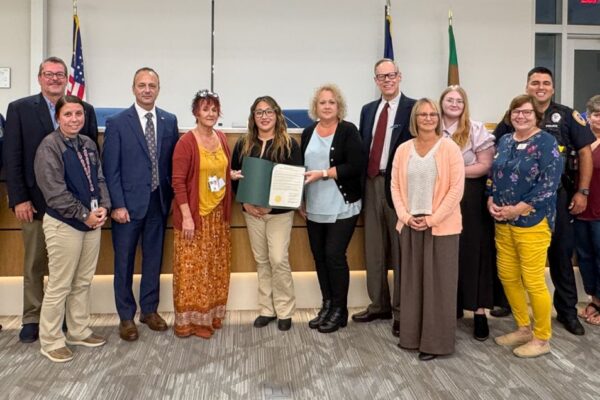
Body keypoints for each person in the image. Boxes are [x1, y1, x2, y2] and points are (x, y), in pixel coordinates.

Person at [493, 67, 594, 336]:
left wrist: (582, 192)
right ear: (527, 86)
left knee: (560, 254)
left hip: (556, 197)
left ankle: (567, 312)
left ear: (552, 88)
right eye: (535, 82)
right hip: (510, 205)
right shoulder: (511, 118)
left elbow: (584, 153)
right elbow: (497, 153)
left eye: (546, 83)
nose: (540, 87)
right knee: (511, 264)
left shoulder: (566, 116)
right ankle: (513, 310)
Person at [3, 57, 98, 343]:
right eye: (49, 74)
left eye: (59, 74)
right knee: (35, 262)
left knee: (70, 267)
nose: (54, 79)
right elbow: (13, 156)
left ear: (67, 78)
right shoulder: (19, 109)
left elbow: (91, 160)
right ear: (39, 77)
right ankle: (32, 316)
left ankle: (71, 320)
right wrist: (19, 198)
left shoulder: (86, 111)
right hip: (34, 202)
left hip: (76, 208)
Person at [103, 67, 179, 341]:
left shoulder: (169, 120)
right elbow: (110, 169)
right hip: (127, 208)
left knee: (153, 260)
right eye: (142, 85)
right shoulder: (117, 122)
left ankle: (149, 310)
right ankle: (126, 317)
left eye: (152, 85)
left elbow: (172, 165)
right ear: (133, 88)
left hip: (158, 204)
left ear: (159, 89)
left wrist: (170, 200)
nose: (147, 90)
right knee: (123, 263)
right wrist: (117, 205)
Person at [33, 95, 110, 362]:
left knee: (82, 281)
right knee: (60, 284)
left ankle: (78, 330)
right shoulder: (49, 147)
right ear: (58, 117)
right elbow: (54, 192)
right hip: (65, 223)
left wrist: (103, 208)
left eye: (79, 114)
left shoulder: (88, 143)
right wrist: (83, 215)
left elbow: (99, 178)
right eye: (68, 114)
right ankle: (51, 339)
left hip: (92, 222)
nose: (75, 119)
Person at [489, 94, 563, 358]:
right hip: (502, 221)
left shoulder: (546, 142)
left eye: (527, 112)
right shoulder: (506, 140)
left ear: (536, 116)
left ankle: (542, 338)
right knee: (508, 276)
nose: (521, 116)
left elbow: (549, 185)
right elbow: (493, 176)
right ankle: (523, 328)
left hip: (532, 221)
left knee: (533, 280)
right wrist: (490, 200)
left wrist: (518, 209)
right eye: (516, 112)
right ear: (510, 115)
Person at [390, 98, 464, 361]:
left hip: (441, 227)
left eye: (433, 113)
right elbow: (395, 187)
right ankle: (411, 337)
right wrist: (406, 216)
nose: (429, 118)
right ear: (415, 118)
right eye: (423, 114)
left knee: (438, 286)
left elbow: (456, 189)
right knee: (412, 284)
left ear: (438, 118)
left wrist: (432, 219)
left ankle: (435, 343)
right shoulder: (403, 149)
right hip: (410, 224)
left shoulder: (449, 149)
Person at [354, 58, 416, 338]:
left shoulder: (413, 108)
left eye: (391, 75)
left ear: (400, 77)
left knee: (401, 249)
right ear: (375, 80)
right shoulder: (368, 110)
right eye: (381, 76)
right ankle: (379, 304)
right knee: (374, 247)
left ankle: (403, 311)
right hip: (371, 182)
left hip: (400, 186)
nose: (387, 80)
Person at [171, 90, 239, 339]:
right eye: (205, 109)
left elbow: (219, 169)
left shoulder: (221, 138)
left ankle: (211, 315)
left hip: (217, 217)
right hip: (195, 217)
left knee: (214, 268)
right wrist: (187, 217)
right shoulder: (186, 142)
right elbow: (178, 182)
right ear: (195, 113)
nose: (210, 114)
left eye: (214, 109)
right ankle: (191, 322)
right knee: (192, 271)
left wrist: (230, 176)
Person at [231, 96, 302, 331]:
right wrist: (245, 205)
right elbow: (235, 177)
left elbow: (293, 183)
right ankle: (266, 309)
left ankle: (284, 310)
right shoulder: (243, 144)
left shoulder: (290, 144)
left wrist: (272, 207)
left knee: (278, 260)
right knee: (261, 261)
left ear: (277, 114)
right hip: (251, 213)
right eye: (259, 112)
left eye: (268, 111)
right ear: (253, 116)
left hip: (279, 214)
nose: (264, 116)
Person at [302, 84, 365, 333]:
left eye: (331, 102)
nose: (327, 106)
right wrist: (300, 200)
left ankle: (340, 310)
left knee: (334, 255)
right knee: (319, 257)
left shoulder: (348, 131)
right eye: (322, 102)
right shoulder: (308, 132)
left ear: (339, 107)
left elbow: (356, 164)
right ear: (315, 107)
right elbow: (301, 168)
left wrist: (325, 174)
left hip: (342, 205)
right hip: (314, 205)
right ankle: (327, 305)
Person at [439, 85, 496, 340]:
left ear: (465, 105)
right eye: (449, 100)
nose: (453, 104)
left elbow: (485, 165)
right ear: (441, 103)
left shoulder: (475, 128)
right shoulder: (431, 125)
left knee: (475, 251)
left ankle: (480, 313)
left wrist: (455, 170)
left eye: (458, 100)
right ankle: (451, 306)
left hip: (470, 197)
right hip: (439, 194)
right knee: (447, 251)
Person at [575, 95, 600, 326]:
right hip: (582, 211)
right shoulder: (581, 140)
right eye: (596, 114)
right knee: (585, 258)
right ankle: (593, 300)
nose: (599, 119)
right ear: (588, 116)